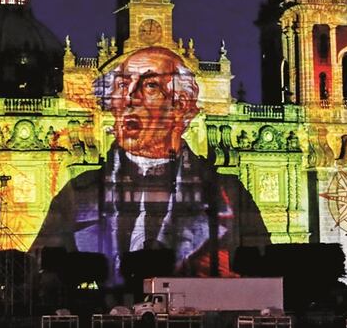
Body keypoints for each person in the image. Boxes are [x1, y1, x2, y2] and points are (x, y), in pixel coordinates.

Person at [32, 46, 269, 285]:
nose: (130, 99)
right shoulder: (78, 193)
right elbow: (38, 266)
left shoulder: (226, 192)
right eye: (123, 86)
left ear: (181, 107)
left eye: (150, 86)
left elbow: (258, 264)